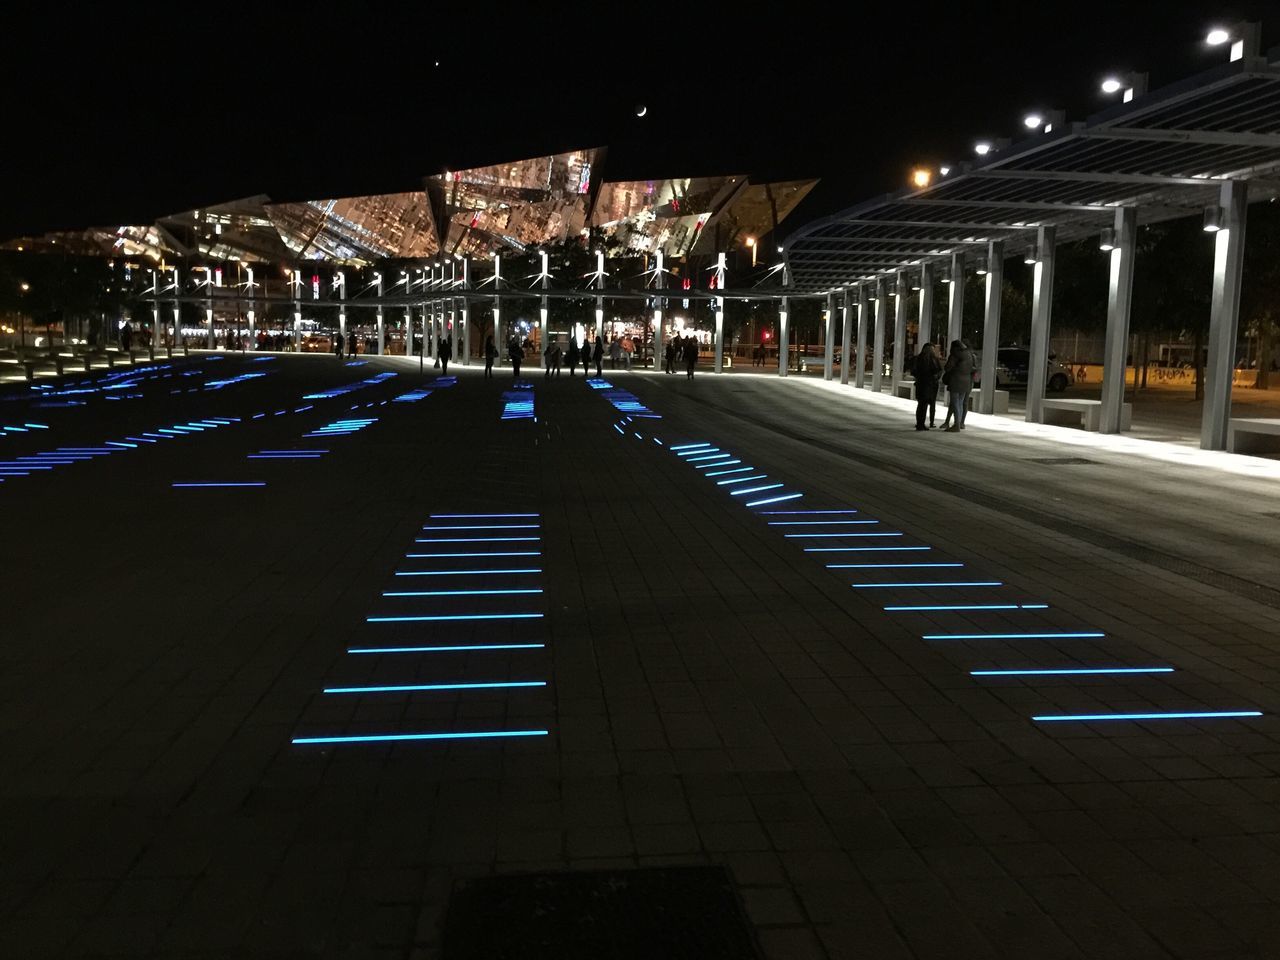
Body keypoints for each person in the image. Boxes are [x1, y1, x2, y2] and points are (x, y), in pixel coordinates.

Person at [942, 339, 974, 432]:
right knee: (960, 403)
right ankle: (958, 423)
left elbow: (948, 367)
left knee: (955, 403)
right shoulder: (969, 354)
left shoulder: (955, 354)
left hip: (956, 381)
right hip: (966, 381)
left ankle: (956, 425)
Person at [912, 341, 942, 431]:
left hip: (924, 384)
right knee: (924, 404)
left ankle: (920, 423)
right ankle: (922, 424)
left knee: (922, 404)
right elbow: (939, 370)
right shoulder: (933, 359)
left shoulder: (919, 358)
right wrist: (935, 376)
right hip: (929, 384)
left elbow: (914, 371)